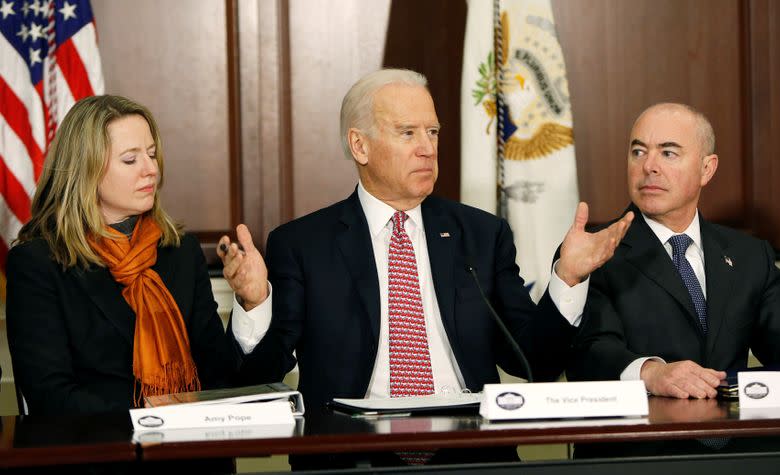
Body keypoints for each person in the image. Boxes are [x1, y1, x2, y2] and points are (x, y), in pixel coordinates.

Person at [220, 68, 632, 467]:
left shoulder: (480, 235)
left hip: (470, 452)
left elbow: (534, 360)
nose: (427, 148)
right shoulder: (304, 244)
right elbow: (264, 371)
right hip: (352, 454)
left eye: (432, 132)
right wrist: (254, 302)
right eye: (408, 133)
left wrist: (567, 278)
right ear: (359, 146)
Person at [566, 103, 780, 455]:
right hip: (639, 455)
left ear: (707, 169)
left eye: (669, 152)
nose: (649, 166)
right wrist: (651, 373)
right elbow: (590, 352)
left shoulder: (750, 255)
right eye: (638, 151)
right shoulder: (595, 250)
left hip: (741, 455)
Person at [6, 95, 262, 417]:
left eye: (152, 155)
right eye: (131, 160)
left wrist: (252, 303)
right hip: (104, 459)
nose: (151, 169)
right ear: (85, 170)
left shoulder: (180, 251)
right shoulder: (38, 263)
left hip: (197, 457)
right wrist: (155, 422)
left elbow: (223, 378)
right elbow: (50, 396)